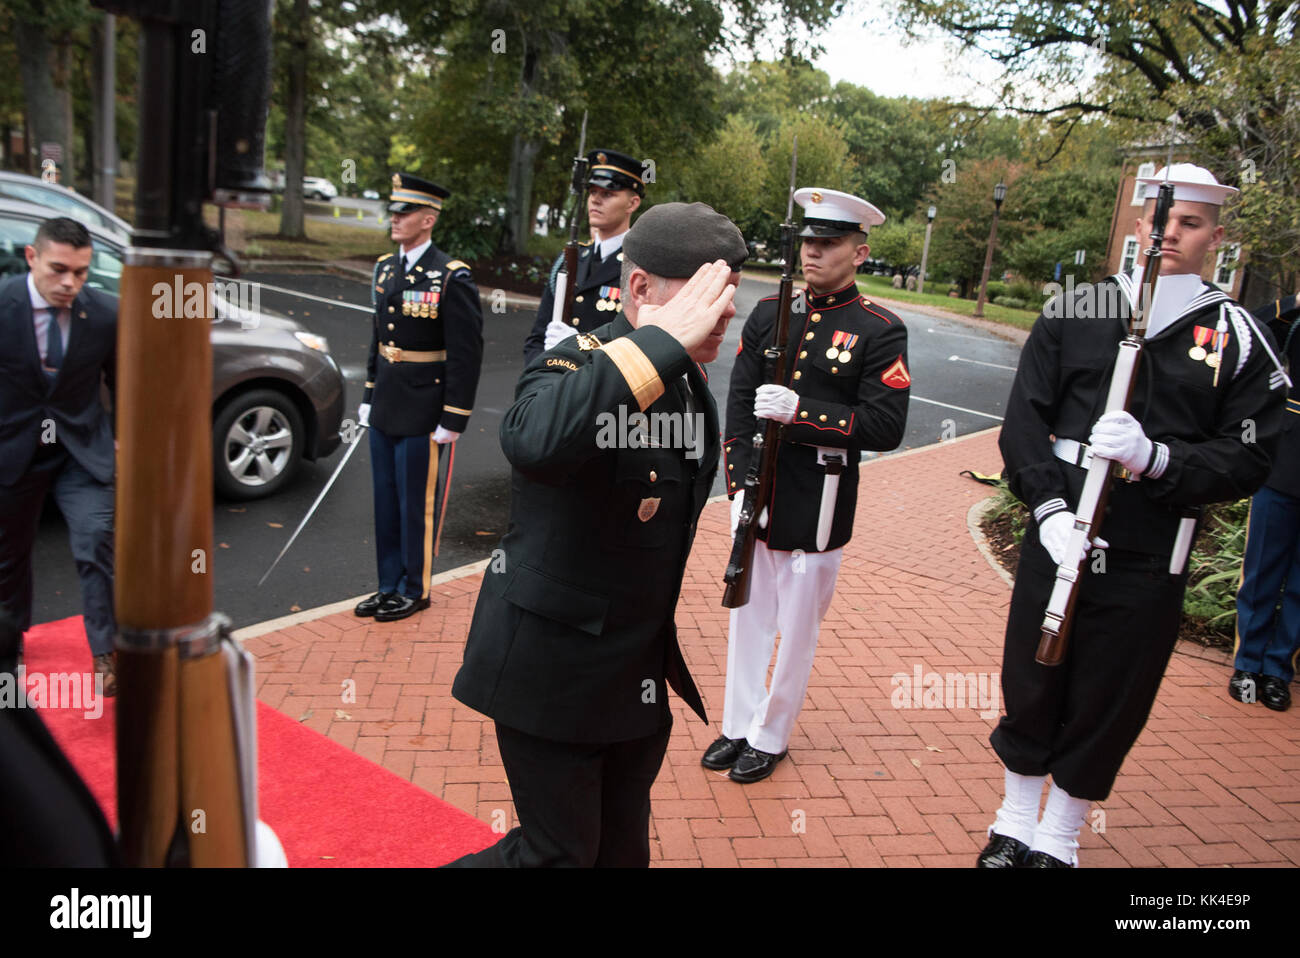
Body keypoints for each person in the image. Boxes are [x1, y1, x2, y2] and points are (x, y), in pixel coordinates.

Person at [980, 164, 1288, 868]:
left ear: (1216, 234)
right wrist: (1050, 507)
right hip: (1059, 533)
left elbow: (1251, 456)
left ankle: (1060, 835)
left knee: (1106, 694)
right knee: (1033, 678)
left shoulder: (1234, 333)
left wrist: (1158, 459)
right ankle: (1013, 820)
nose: (1171, 234)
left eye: (1192, 223)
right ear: (1141, 221)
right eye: (1163, 219)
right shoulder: (1077, 308)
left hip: (1149, 550)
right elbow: (1024, 420)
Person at [449, 202, 748, 867]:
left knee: (619, 855)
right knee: (556, 857)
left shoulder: (689, 389)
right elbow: (534, 441)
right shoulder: (579, 363)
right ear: (641, 290)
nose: (725, 312)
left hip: (631, 678)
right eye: (705, 296)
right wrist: (658, 343)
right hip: (552, 675)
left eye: (728, 296)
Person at [703, 188, 910, 784]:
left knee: (796, 627)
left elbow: (885, 426)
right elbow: (740, 399)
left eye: (829, 242)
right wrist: (739, 479)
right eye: (808, 242)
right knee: (747, 613)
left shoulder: (879, 329)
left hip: (818, 495)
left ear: (860, 252)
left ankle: (771, 734)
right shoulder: (772, 311)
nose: (814, 253)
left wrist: (804, 411)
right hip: (760, 486)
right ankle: (737, 724)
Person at [353, 173, 483, 623]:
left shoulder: (450, 276)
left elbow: (466, 354)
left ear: (428, 219)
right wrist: (369, 392)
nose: (395, 217)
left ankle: (415, 588)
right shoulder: (386, 267)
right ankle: (387, 584)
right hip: (387, 400)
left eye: (404, 212)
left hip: (425, 408)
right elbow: (378, 336)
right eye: (393, 210)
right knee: (385, 500)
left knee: (414, 503)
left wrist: (454, 415)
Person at [0, 217, 118, 694]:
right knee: (8, 557)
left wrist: (123, 438)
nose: (70, 283)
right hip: (13, 449)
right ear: (32, 257)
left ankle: (106, 652)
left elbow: (123, 380)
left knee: (95, 541)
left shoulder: (106, 314)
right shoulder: (3, 305)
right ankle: (8, 649)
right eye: (58, 270)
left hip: (78, 450)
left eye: (82, 272)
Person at [1229, 292, 1300, 711]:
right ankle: (1247, 665)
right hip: (1284, 464)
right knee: (1262, 572)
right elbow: (1250, 329)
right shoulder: (1292, 321)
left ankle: (1277, 671)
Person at [522, 148, 645, 365]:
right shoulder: (570, 259)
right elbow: (537, 338)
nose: (596, 200)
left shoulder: (641, 265)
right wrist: (540, 380)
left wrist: (581, 345)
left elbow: (641, 350)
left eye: (607, 194)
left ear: (632, 203)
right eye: (593, 192)